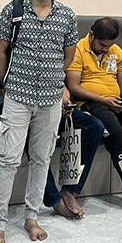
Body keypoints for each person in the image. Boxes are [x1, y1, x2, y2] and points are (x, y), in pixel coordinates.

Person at [0, 0, 78, 243]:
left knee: (42, 158)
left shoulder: (67, 15)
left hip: (50, 98)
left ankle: (32, 217)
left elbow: (68, 55)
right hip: (17, 95)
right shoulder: (13, 11)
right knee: (7, 160)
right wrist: (5, 83)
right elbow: (0, 50)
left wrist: (53, 78)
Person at [65, 17, 122, 198]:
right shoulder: (78, 50)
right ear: (91, 35)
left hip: (115, 102)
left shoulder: (116, 51)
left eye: (109, 46)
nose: (106, 49)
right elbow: (74, 87)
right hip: (90, 103)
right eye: (103, 45)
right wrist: (104, 100)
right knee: (115, 132)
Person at [41, 87, 104, 220]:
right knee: (33, 138)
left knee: (94, 127)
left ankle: (70, 190)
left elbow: (62, 86)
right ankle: (54, 200)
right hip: (30, 110)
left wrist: (64, 101)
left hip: (56, 107)